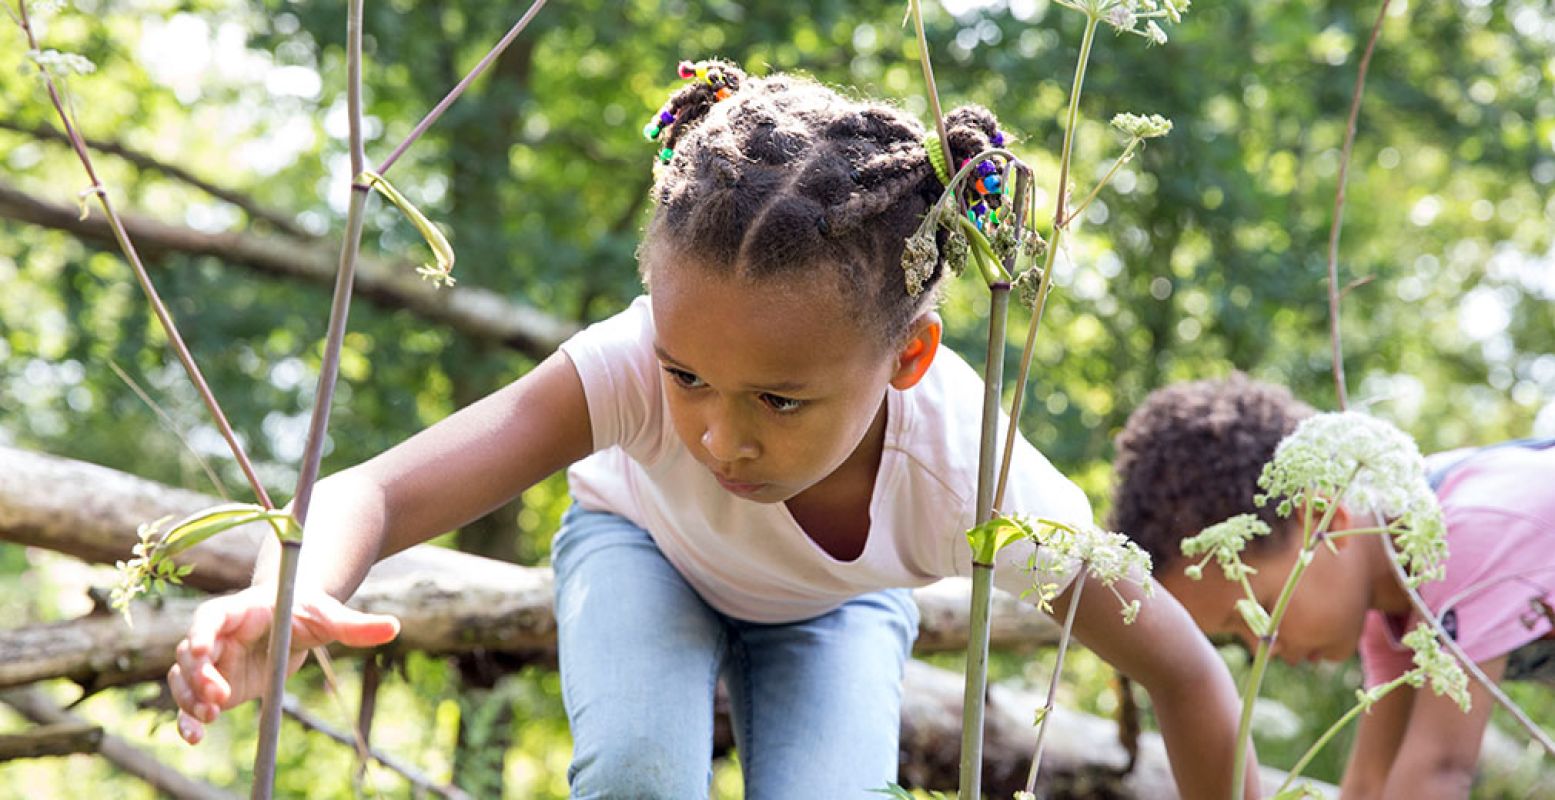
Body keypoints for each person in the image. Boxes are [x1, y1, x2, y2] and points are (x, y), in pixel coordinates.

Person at [168, 61, 1254, 798]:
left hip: (838, 610)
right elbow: (381, 490)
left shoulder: (978, 479)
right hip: (642, 551)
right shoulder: (631, 365)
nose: (719, 437)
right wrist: (286, 581)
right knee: (640, 769)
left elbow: (1190, 676)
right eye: (688, 375)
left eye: (779, 401)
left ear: (908, 358)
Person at [1111, 373, 1555, 799]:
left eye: (1259, 608)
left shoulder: (1464, 535)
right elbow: (1369, 785)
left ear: (1322, 518)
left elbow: (1438, 771)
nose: (1265, 647)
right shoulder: (1391, 610)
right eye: (1238, 635)